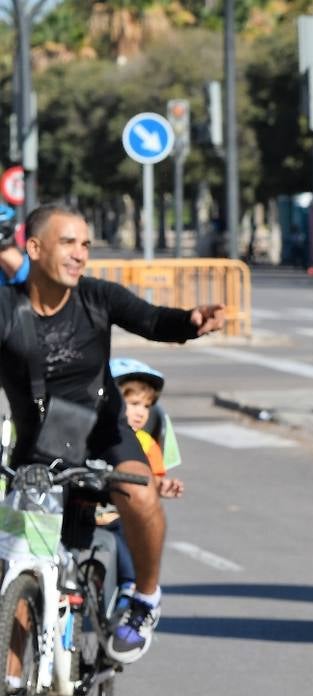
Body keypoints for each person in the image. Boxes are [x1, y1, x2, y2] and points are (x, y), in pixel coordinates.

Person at [0, 203, 224, 664]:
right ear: (35, 247)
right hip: (40, 447)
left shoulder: (97, 297)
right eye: (68, 243)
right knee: (22, 572)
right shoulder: (6, 310)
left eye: (85, 244)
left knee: (138, 494)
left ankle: (144, 598)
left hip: (103, 430)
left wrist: (191, 321)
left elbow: (152, 319)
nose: (80, 254)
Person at [100, 359, 185, 603]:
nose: (140, 412)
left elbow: (153, 481)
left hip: (118, 519)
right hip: (84, 516)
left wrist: (163, 487)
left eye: (146, 406)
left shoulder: (146, 444)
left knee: (129, 557)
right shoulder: (88, 432)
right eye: (133, 403)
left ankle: (130, 597)